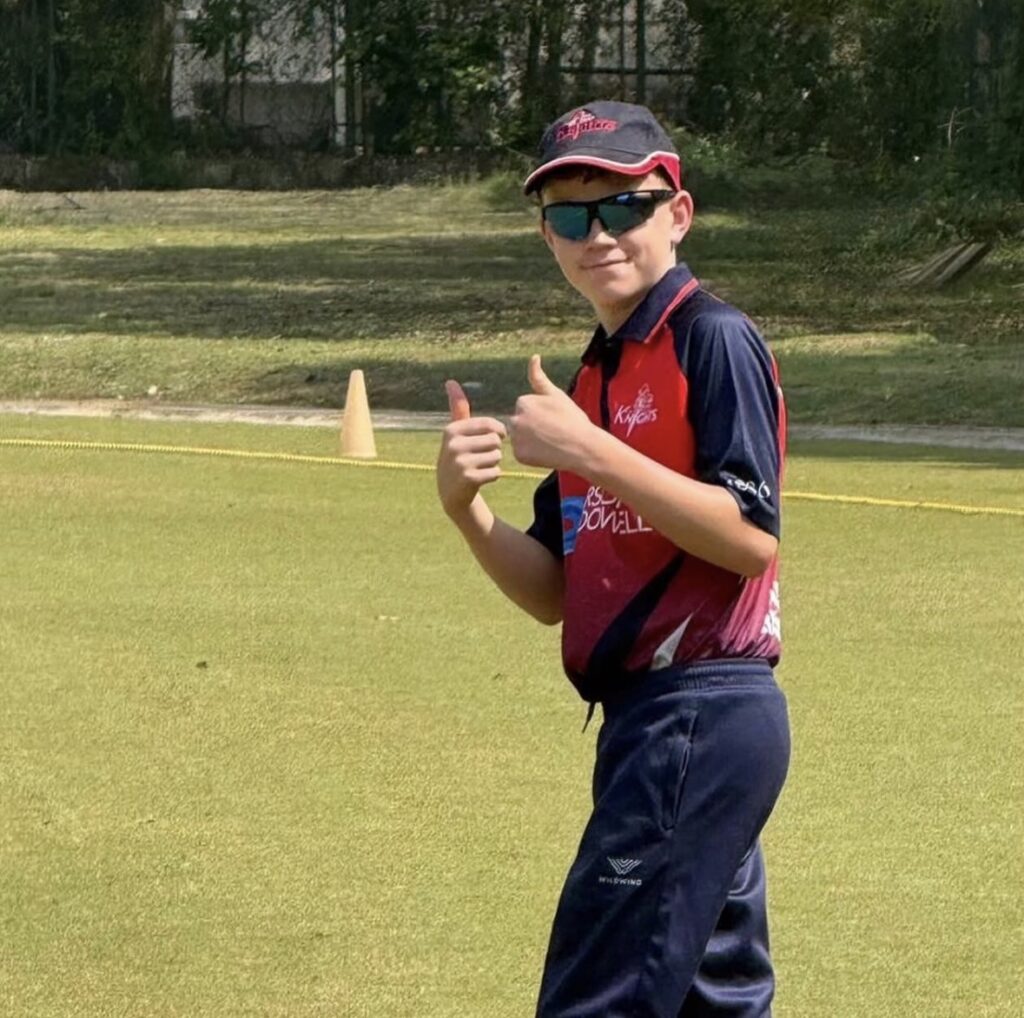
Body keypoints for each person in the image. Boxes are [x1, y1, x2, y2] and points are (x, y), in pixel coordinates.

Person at [435, 100, 791, 1018]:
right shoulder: (593, 373)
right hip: (651, 724)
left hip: (701, 711)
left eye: (624, 206)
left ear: (678, 212)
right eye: (568, 216)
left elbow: (750, 535)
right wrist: (467, 511)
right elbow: (555, 589)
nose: (596, 235)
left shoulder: (710, 337)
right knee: (713, 1001)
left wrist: (591, 451)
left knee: (597, 999)